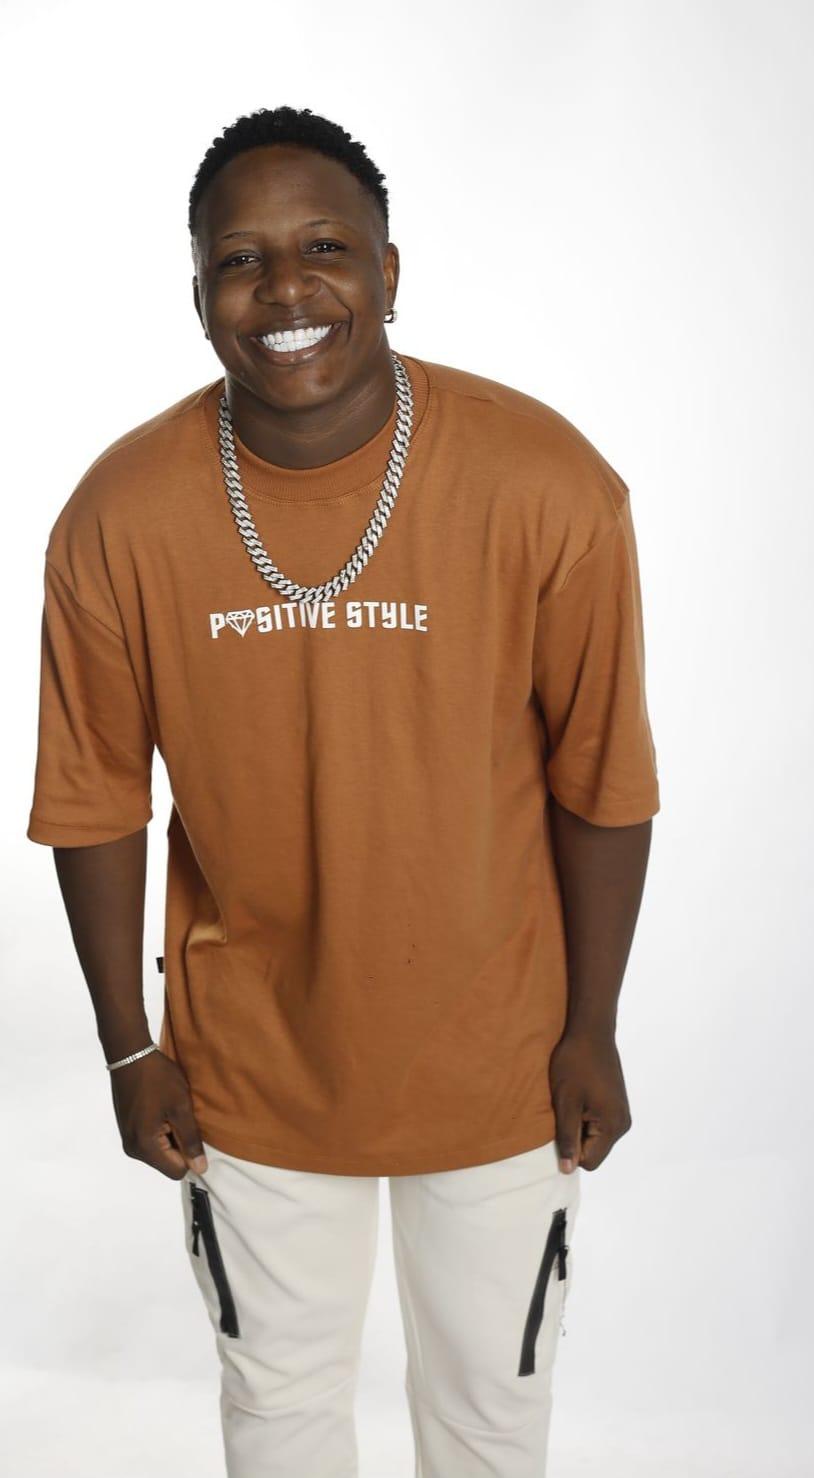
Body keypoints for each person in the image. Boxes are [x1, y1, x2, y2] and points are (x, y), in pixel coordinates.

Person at [26, 105, 660, 1478]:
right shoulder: (119, 514)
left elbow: (602, 774)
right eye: (239, 260)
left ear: (388, 269)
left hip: (500, 1053)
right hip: (252, 1062)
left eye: (323, 247)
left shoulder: (544, 481)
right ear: (198, 293)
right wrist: (130, 1048)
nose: (284, 289)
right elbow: (92, 797)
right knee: (279, 1415)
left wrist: (593, 1025)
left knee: (491, 1420)